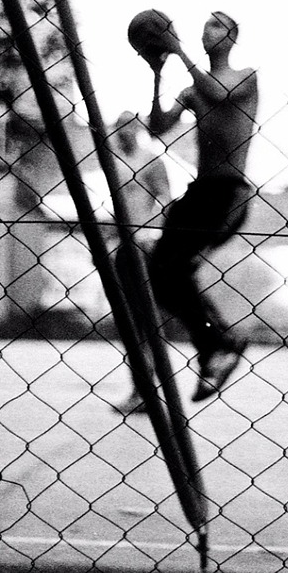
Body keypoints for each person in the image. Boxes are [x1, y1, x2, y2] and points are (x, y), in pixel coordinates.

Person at [145, 11, 259, 403]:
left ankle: (221, 343)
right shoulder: (193, 90)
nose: (207, 32)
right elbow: (157, 127)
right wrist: (158, 72)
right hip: (200, 192)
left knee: (172, 267)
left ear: (232, 37)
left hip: (228, 193)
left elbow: (219, 95)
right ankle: (216, 346)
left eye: (217, 25)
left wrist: (176, 50)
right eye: (205, 26)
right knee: (160, 272)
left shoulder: (245, 77)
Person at [109, 110, 174, 414]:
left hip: (145, 244)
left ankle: (147, 391)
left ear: (137, 129)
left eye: (127, 128)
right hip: (123, 246)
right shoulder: (115, 163)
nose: (121, 134)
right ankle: (140, 390)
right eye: (117, 128)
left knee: (146, 321)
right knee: (131, 323)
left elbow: (164, 198)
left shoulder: (150, 160)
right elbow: (115, 206)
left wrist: (149, 232)